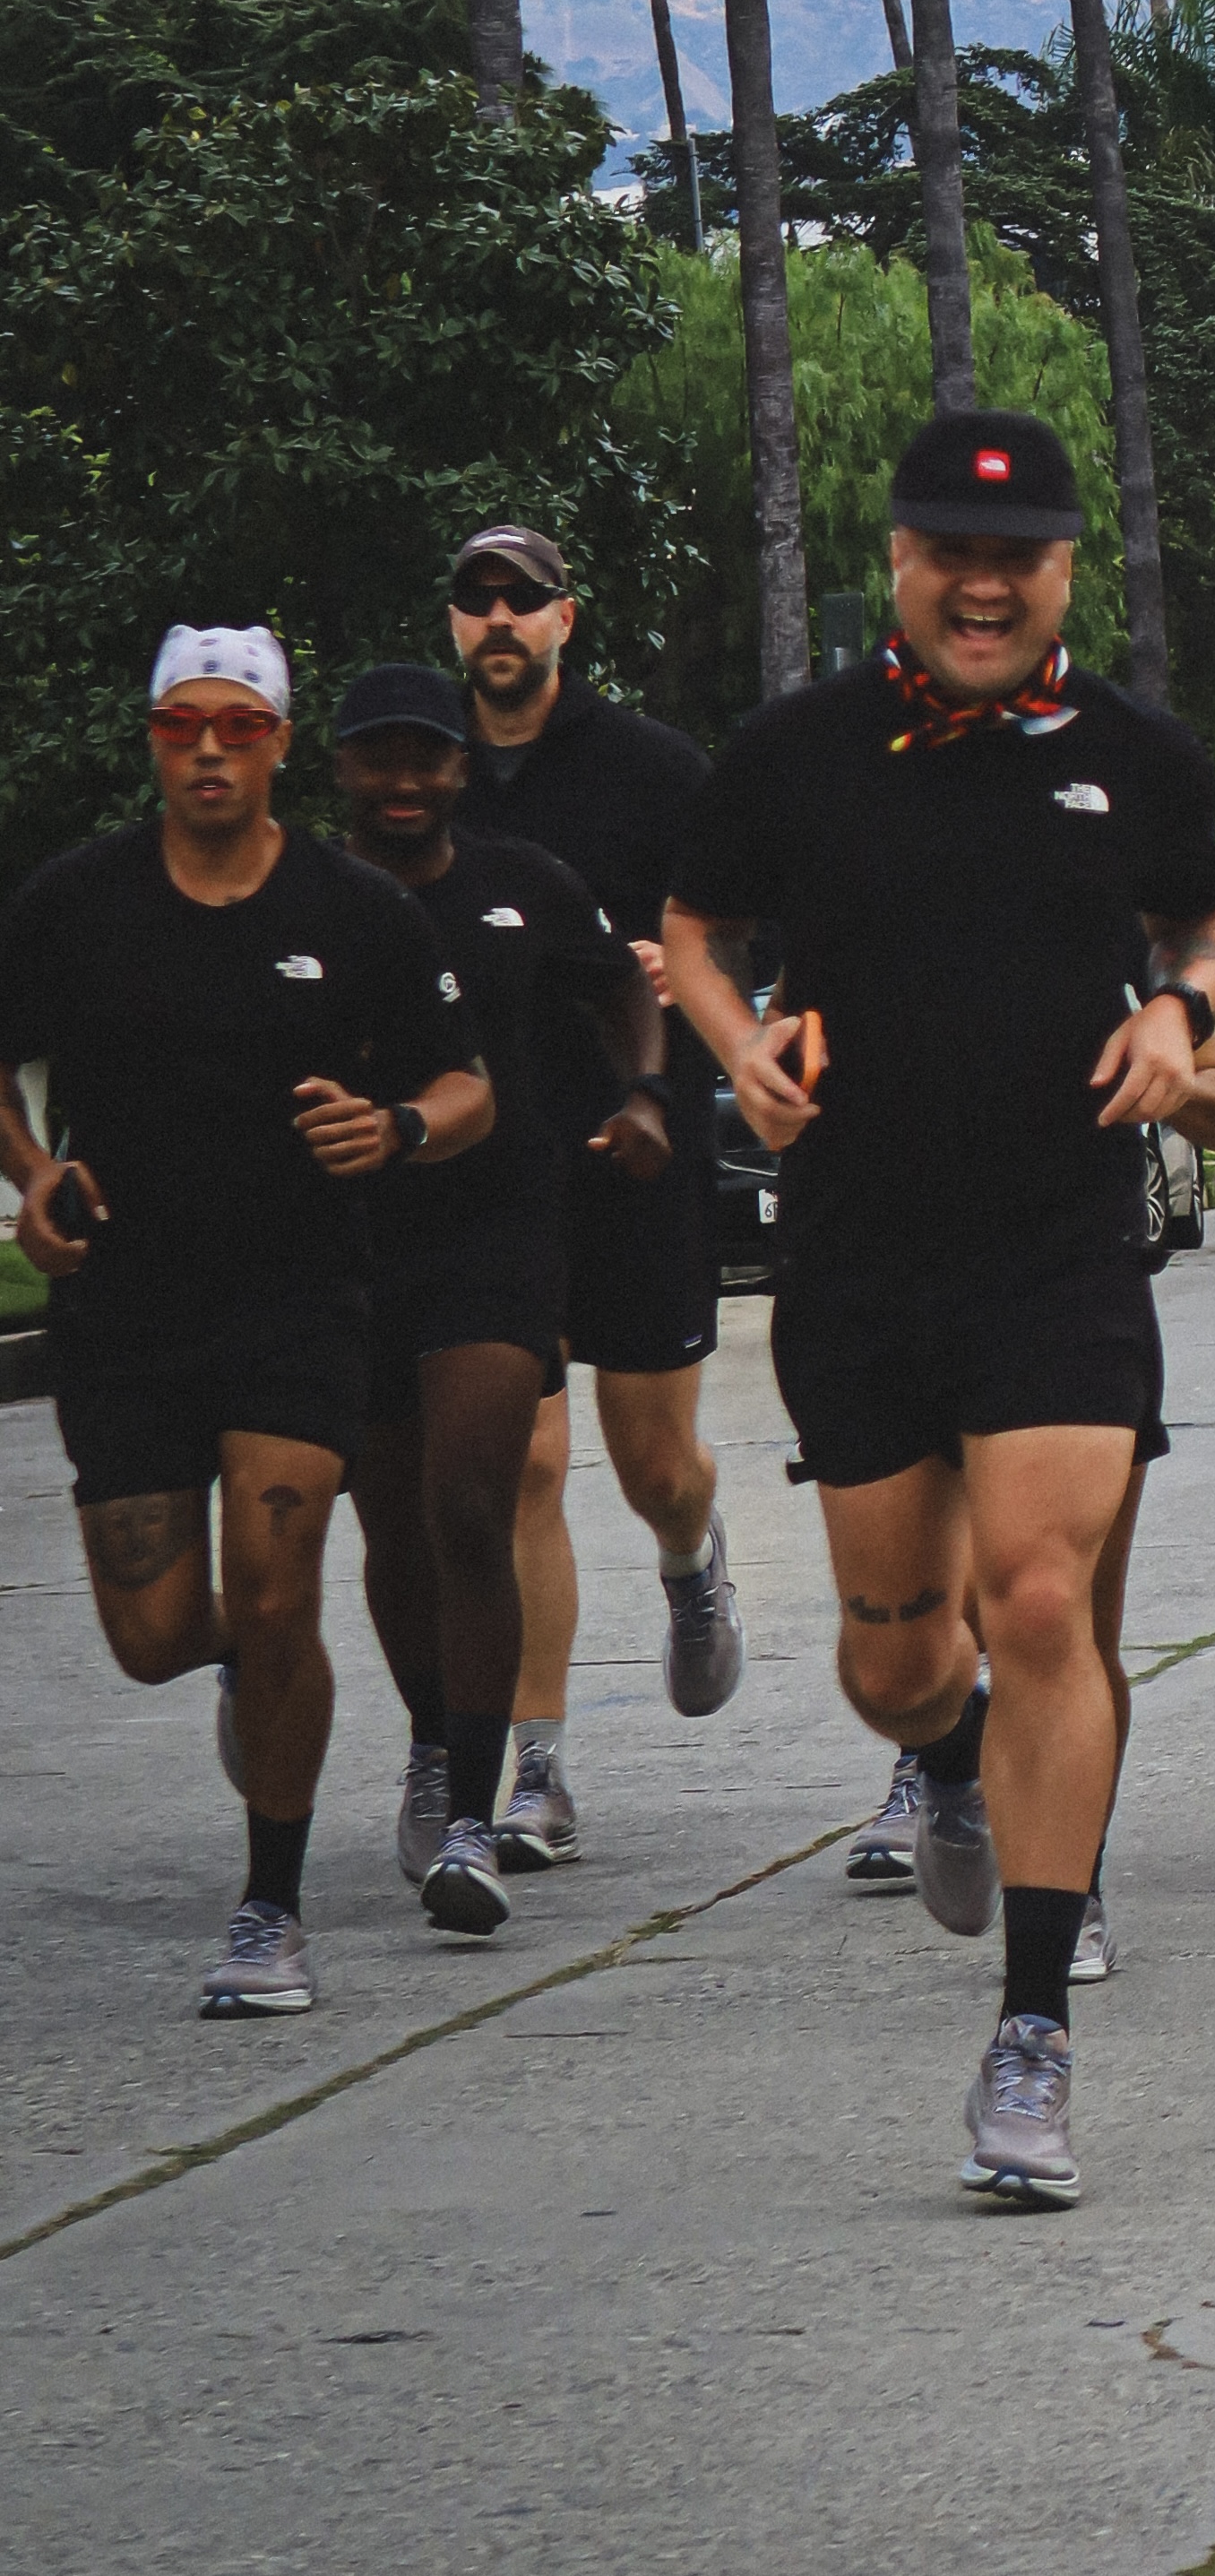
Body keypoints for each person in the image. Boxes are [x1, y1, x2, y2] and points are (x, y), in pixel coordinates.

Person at [659, 412, 1215, 2209]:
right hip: (859, 1257)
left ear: (1065, 570)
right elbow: (692, 922)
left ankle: (1031, 2029)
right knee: (897, 1657)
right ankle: (945, 1752)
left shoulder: (1134, 753)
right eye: (949, 554)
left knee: (1046, 1595)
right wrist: (738, 1043)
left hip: (1058, 1244)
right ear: (898, 562)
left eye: (1017, 559)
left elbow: (1207, 918)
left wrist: (1180, 1011)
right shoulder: (796, 750)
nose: (983, 587)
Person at [0, 627, 487, 2014]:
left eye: (237, 727)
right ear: (154, 739)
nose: (207, 751)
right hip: (126, 1312)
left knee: (280, 1591)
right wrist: (33, 1179)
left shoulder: (356, 911)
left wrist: (394, 1127)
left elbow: (466, 1089)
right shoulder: (74, 902)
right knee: (154, 1635)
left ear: (278, 746)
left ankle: (270, 1910)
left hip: (298, 1301)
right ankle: (241, 1665)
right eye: (181, 727)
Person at [329, 662, 668, 1941]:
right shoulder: (313, 898)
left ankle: (470, 1816)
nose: (403, 780)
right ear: (341, 768)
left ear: (461, 769)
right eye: (380, 756)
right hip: (358, 1241)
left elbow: (619, 982)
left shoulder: (521, 882)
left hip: (502, 1230)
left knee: (471, 1502)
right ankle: (434, 1742)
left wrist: (644, 1093)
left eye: (427, 756)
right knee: (391, 1520)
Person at [445, 522, 739, 1863]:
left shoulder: (652, 768)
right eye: (477, 599)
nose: (499, 618)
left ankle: (691, 1557)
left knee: (652, 1465)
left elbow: (736, 921)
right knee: (526, 1462)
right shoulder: (426, 776)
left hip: (638, 1144)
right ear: (456, 623)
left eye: (524, 599)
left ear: (567, 619)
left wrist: (684, 966)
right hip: (490, 1163)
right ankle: (538, 1772)